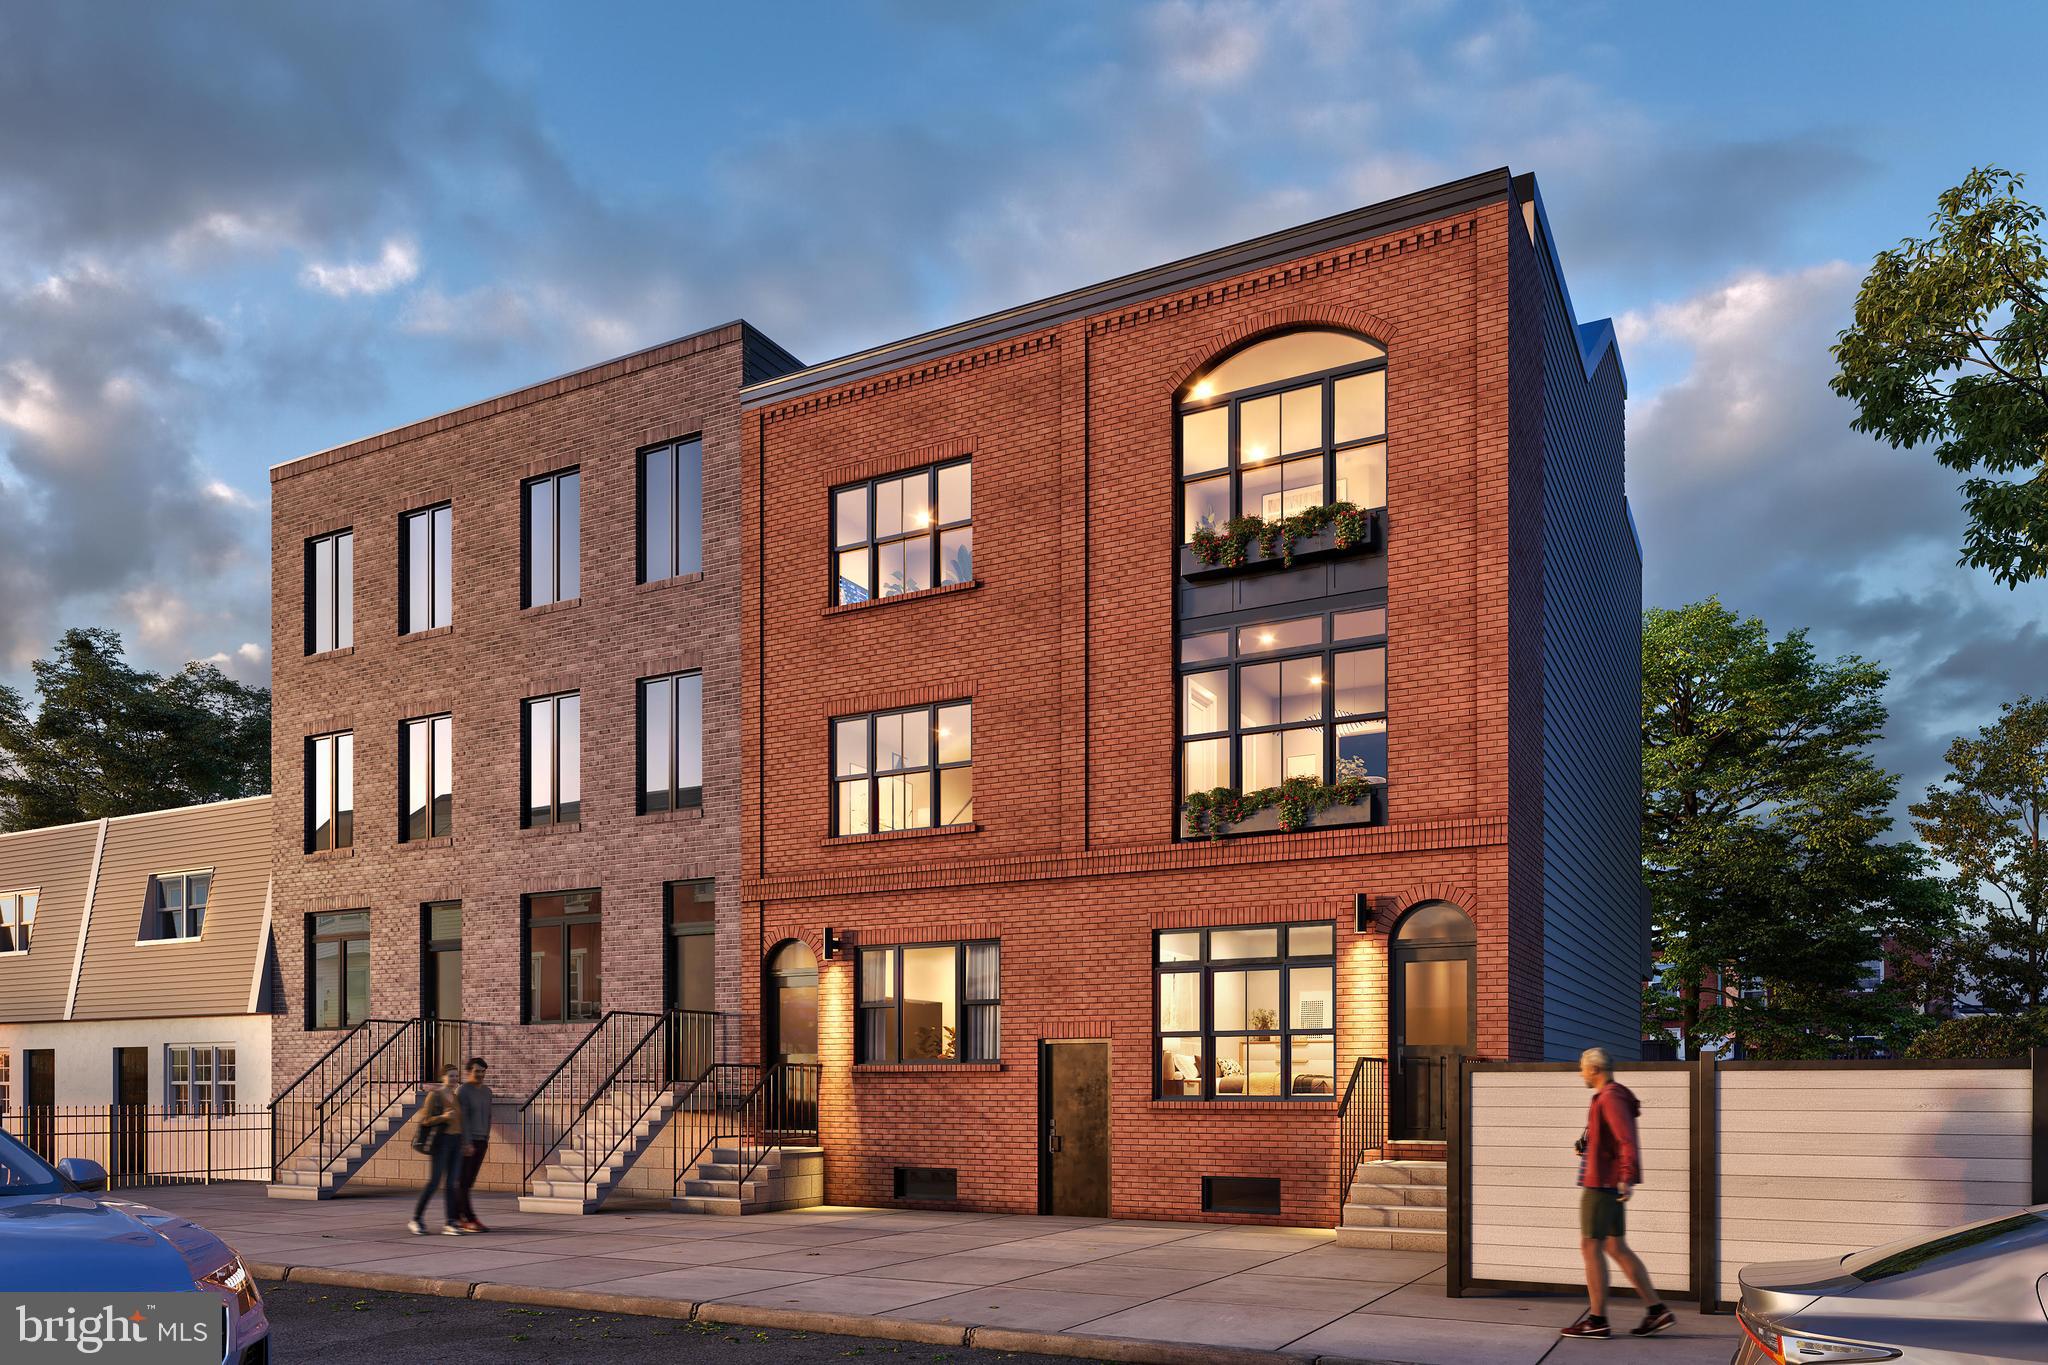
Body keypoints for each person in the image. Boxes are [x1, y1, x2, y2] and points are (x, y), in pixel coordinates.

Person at [1560, 1047, 1676, 1340]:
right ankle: (1656, 1310)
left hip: (1602, 1184)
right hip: (1606, 1179)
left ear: (1594, 1069)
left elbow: (1626, 1140)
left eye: (1582, 1069)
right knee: (1614, 1247)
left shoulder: (1610, 1097)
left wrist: (1626, 1177)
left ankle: (1597, 1320)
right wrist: (1585, 1145)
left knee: (1590, 1247)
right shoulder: (1608, 1096)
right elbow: (1610, 1138)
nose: (1580, 1074)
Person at [407, 1064, 464, 1236]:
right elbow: (424, 1120)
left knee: (452, 1184)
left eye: (456, 1076)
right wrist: (443, 1117)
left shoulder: (455, 1097)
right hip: (442, 1142)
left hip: (456, 1142)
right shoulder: (435, 1095)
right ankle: (416, 1219)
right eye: (451, 1076)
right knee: (434, 1182)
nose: (454, 1079)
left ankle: (450, 1222)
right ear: (443, 1077)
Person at [452, 1056, 493, 1233]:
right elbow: (463, 1119)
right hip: (468, 1142)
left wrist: (486, 1138)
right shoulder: (463, 1091)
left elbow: (488, 1115)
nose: (480, 1075)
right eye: (477, 1071)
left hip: (482, 1140)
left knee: (469, 1181)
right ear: (469, 1072)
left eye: (483, 1072)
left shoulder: (487, 1091)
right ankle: (468, 1218)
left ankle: (458, 1216)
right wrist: (466, 1142)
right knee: (464, 1181)